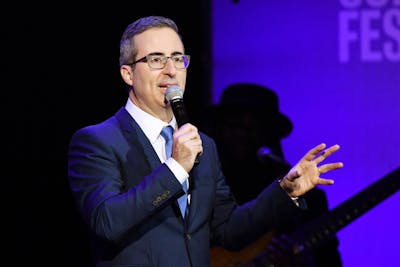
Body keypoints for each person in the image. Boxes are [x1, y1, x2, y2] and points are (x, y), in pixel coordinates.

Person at [67, 15, 344, 267]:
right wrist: (176, 168)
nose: (171, 70)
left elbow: (228, 231)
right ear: (128, 73)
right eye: (155, 59)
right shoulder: (98, 141)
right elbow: (106, 222)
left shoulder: (203, 145)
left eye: (177, 58)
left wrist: (286, 191)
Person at [204, 83, 343, 266]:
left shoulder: (307, 199)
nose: (243, 134)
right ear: (219, 130)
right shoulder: (198, 189)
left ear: (270, 136)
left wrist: (302, 262)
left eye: (254, 126)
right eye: (235, 124)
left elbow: (328, 261)